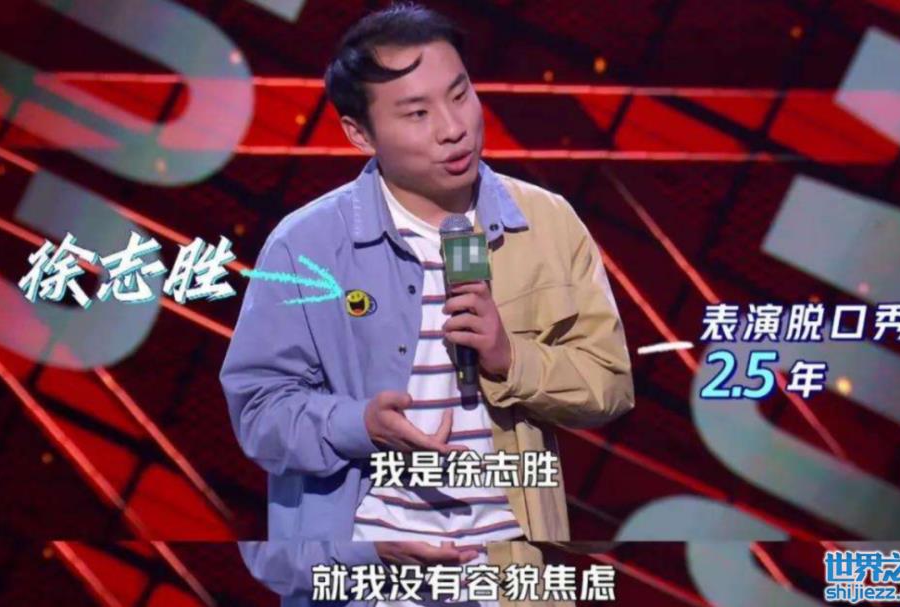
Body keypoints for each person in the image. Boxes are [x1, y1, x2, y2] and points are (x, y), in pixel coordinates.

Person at [220, 3, 634, 603]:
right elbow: (259, 412)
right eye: (417, 113)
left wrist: (511, 360)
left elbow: (610, 383)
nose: (453, 127)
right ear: (359, 133)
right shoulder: (306, 246)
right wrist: (360, 424)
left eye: (460, 95)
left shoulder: (547, 223)